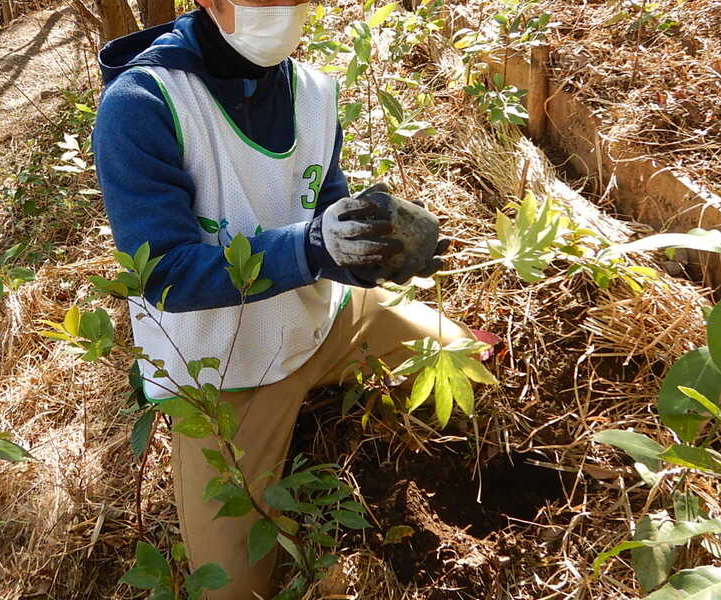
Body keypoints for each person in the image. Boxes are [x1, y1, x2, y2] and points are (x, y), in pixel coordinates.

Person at [92, 2, 472, 597]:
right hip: (225, 369)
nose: (284, 12)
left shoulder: (315, 92)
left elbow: (327, 209)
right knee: (230, 591)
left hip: (323, 322)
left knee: (466, 358)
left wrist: (379, 250)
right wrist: (316, 247)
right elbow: (163, 272)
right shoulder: (144, 104)